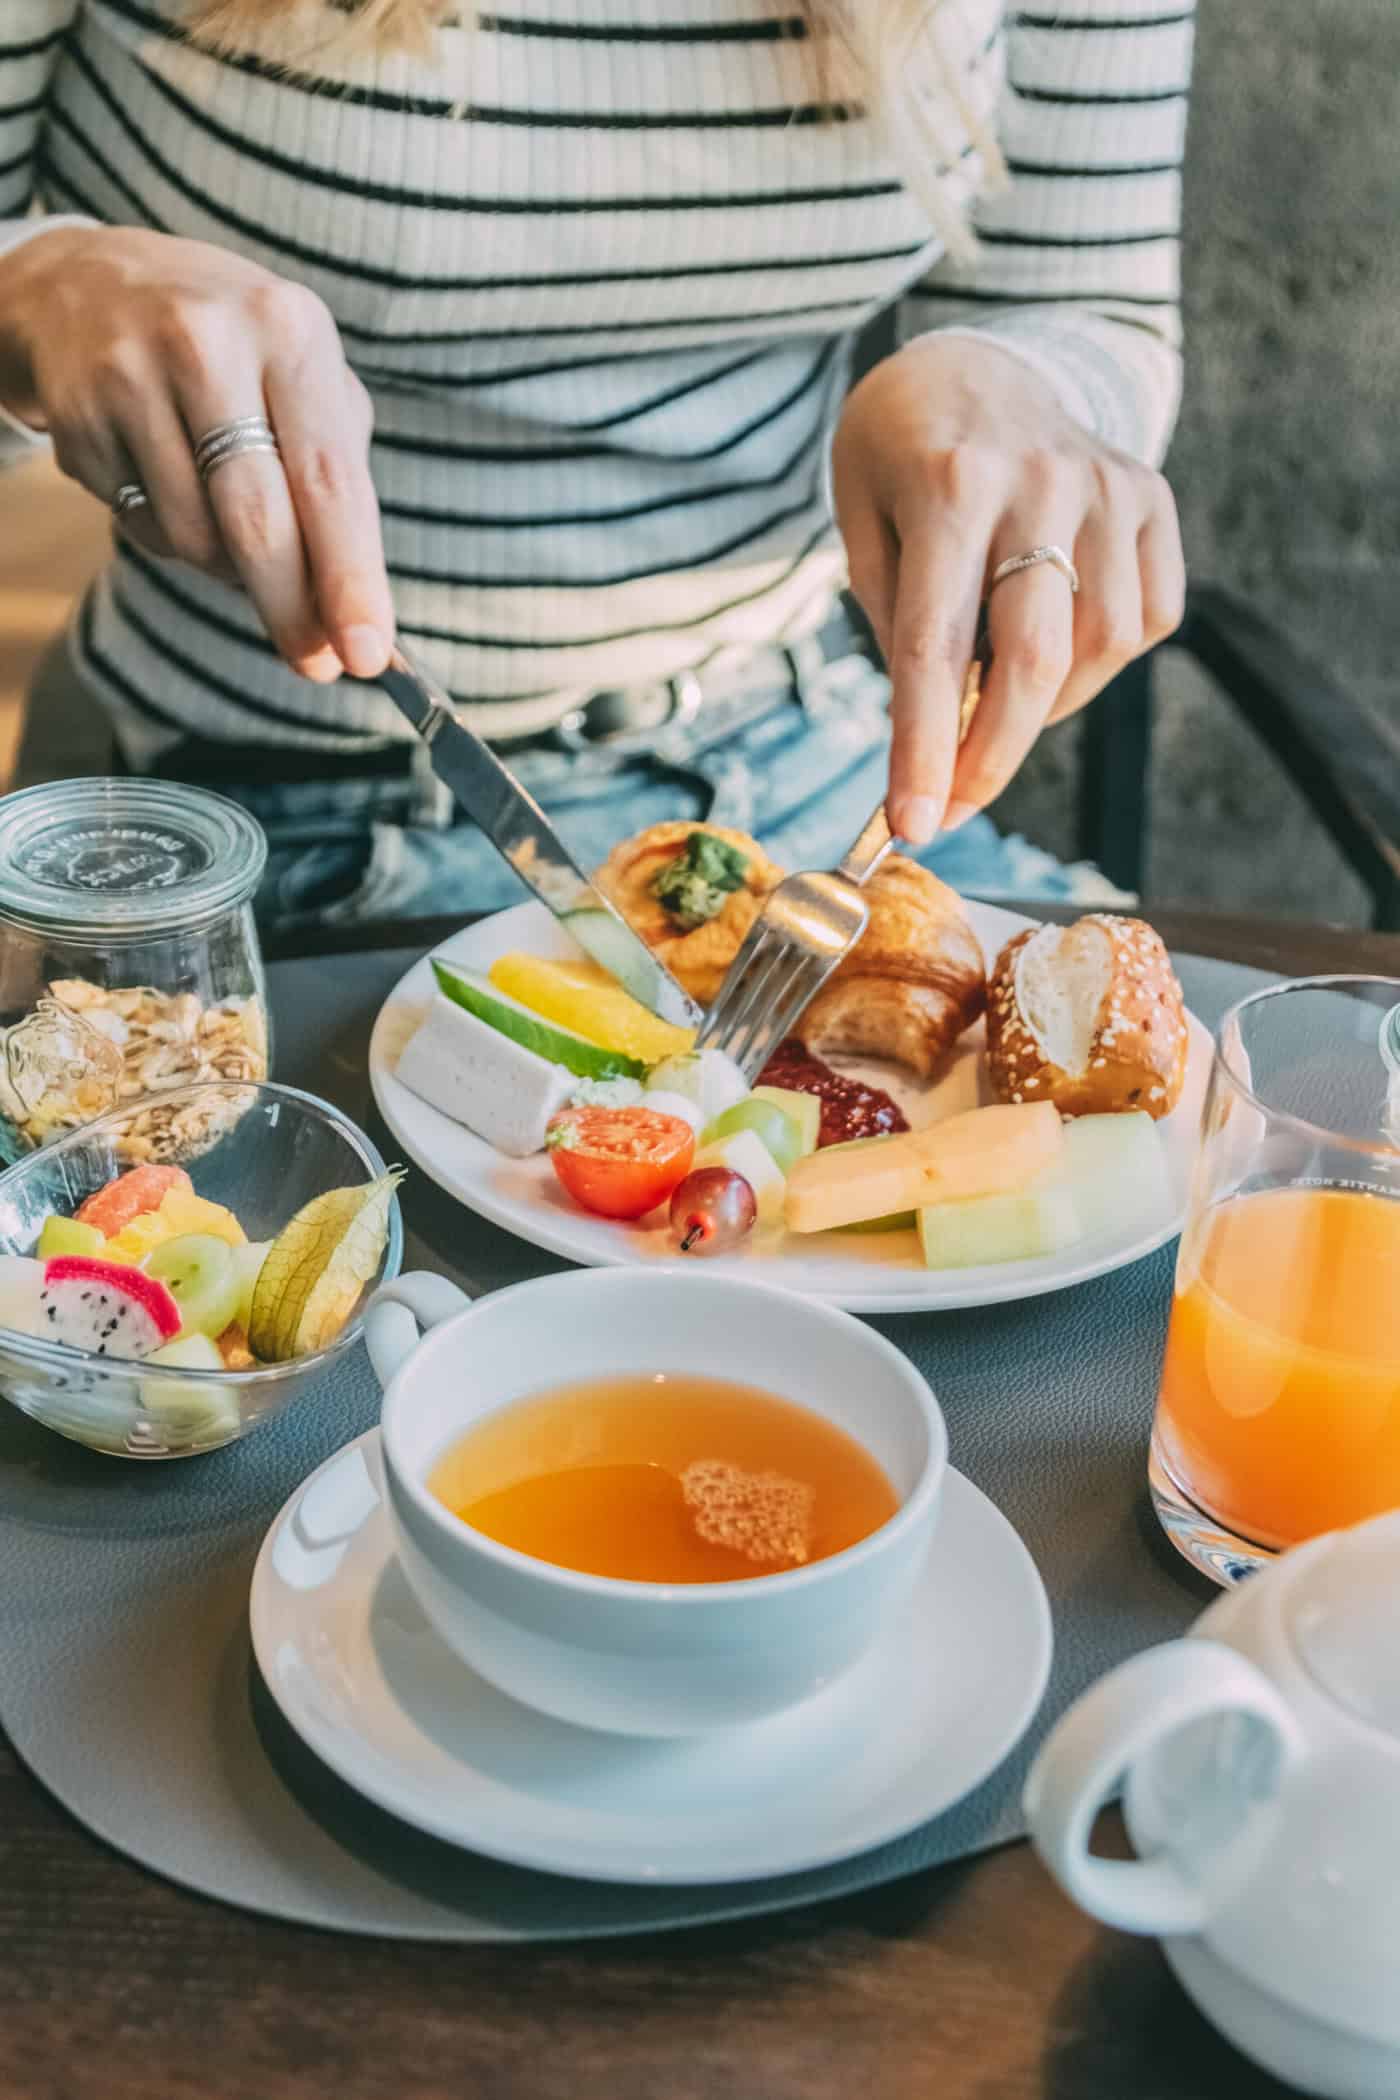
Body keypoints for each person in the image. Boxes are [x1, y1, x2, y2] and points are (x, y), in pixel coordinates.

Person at [0, 0, 1192, 932]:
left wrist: (1016, 382)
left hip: (819, 773)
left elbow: (1083, 294)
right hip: (273, 816)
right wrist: (34, 294)